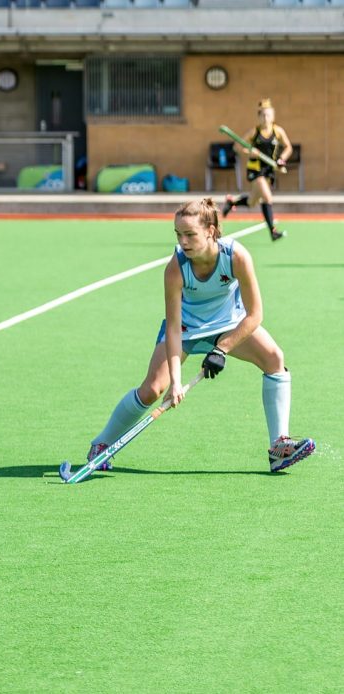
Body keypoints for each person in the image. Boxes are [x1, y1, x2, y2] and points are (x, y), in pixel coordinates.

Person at [83, 198, 315, 476]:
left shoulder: (236, 256)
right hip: (186, 330)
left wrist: (222, 348)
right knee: (152, 389)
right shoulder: (176, 268)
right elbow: (172, 326)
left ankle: (279, 447)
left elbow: (255, 315)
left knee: (274, 358)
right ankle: (102, 444)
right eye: (178, 235)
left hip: (229, 324)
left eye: (190, 234)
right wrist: (176, 382)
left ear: (211, 231)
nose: (183, 242)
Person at [222, 98, 293, 242]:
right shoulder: (254, 132)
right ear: (259, 117)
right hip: (255, 169)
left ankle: (232, 203)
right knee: (267, 197)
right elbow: (237, 146)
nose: (265, 118)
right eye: (262, 115)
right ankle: (273, 231)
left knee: (252, 202)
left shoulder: (278, 131)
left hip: (269, 169)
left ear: (272, 116)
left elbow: (288, 147)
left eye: (268, 115)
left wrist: (282, 160)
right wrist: (249, 152)